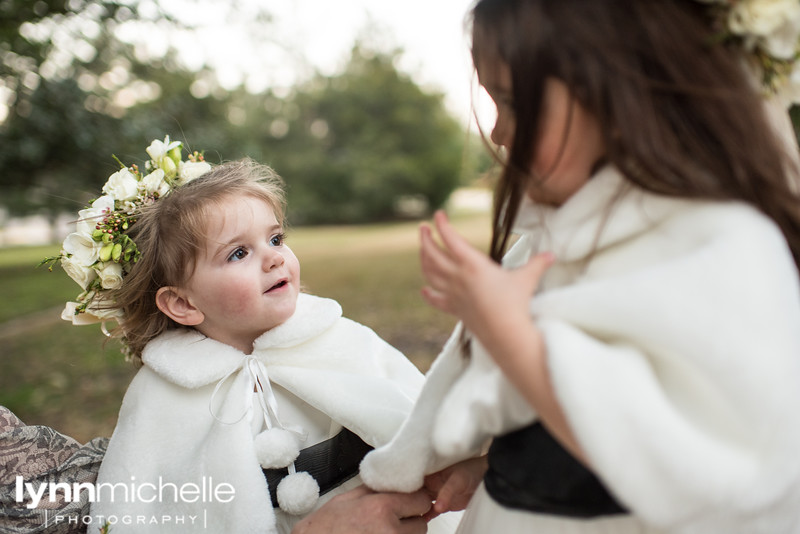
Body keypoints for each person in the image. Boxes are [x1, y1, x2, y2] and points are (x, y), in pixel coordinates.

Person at [355, 1, 800, 533]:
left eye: (514, 102)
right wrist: (498, 465)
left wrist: (508, 330)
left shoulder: (720, 246)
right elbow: (570, 420)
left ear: (629, 96)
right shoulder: (558, 242)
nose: (497, 134)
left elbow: (685, 460)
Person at [10, 143, 458, 534]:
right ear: (183, 304)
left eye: (276, 238)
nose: (273, 259)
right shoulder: (163, 395)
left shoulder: (338, 340)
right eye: (239, 253)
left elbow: (420, 415)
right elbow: (141, 505)